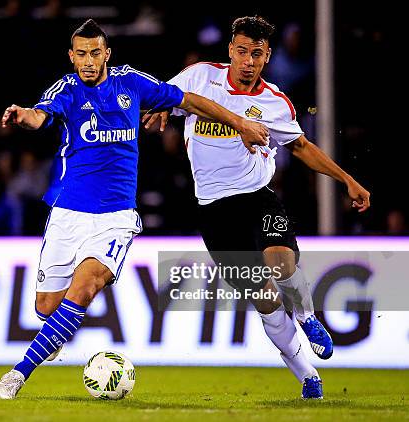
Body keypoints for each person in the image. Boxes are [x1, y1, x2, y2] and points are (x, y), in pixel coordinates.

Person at [0, 18, 269, 400]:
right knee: (46, 308)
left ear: (107, 53)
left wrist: (238, 122)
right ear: (71, 57)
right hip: (68, 213)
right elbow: (40, 115)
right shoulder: (67, 90)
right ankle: (54, 334)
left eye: (95, 52)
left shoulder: (131, 82)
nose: (89, 61)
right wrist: (24, 115)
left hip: (116, 216)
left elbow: (188, 101)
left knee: (86, 286)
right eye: (81, 54)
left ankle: (17, 374)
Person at [143, 15, 371, 399]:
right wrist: (163, 109)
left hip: (255, 196)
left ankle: (308, 317)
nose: (248, 61)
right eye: (243, 51)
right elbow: (167, 98)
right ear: (231, 50)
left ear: (267, 57)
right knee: (265, 298)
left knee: (281, 261)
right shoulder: (199, 77)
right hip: (213, 209)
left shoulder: (275, 102)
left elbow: (300, 147)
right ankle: (308, 377)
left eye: (258, 54)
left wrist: (347, 179)